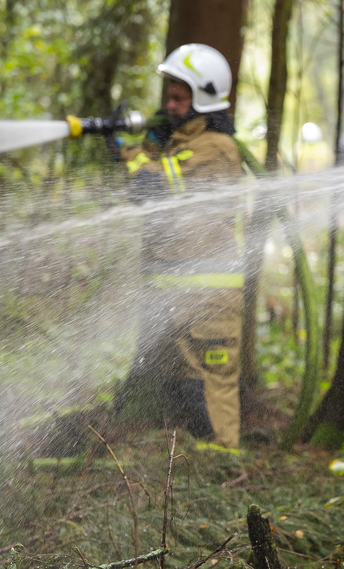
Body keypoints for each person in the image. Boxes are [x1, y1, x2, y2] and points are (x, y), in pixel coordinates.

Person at [115, 43, 246, 449]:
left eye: (178, 98)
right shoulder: (178, 143)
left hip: (210, 300)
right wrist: (147, 141)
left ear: (203, 98)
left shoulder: (217, 149)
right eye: (168, 97)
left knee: (212, 390)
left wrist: (127, 148)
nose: (169, 105)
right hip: (177, 296)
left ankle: (222, 466)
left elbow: (156, 184)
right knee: (183, 391)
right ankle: (191, 468)